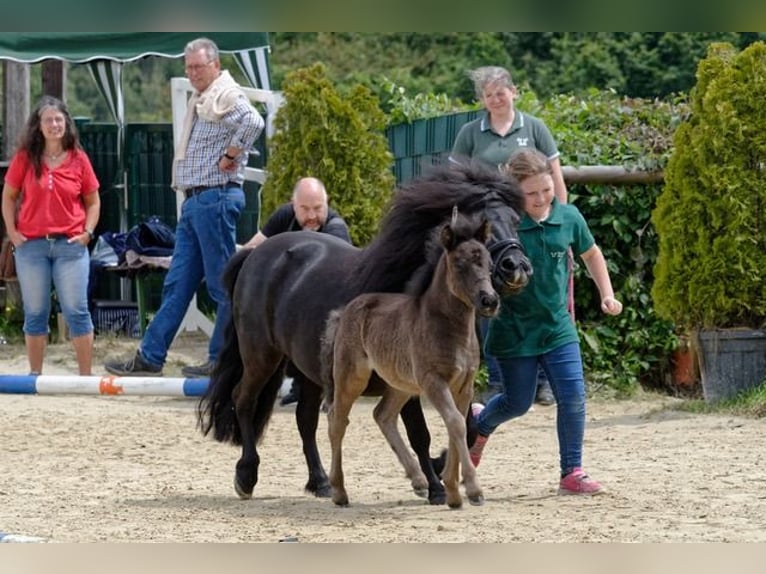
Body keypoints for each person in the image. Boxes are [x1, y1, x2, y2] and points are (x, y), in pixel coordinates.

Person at [105, 37, 263, 378]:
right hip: (197, 201)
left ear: (215, 66)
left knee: (223, 284)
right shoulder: (206, 100)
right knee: (177, 284)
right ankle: (150, 356)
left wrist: (231, 156)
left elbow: (254, 122)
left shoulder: (228, 96)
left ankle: (221, 359)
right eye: (188, 67)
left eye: (198, 66)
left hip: (216, 196)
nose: (192, 73)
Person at [469, 148, 623, 495]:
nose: (541, 199)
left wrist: (607, 294)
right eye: (531, 193)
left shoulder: (569, 217)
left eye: (547, 189)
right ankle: (481, 425)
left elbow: (591, 253)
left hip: (557, 327)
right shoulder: (503, 225)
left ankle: (572, 472)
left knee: (573, 397)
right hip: (513, 330)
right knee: (516, 403)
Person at [450, 64, 568, 407]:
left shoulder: (534, 127)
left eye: (501, 92)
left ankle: (543, 383)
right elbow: (456, 184)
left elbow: (555, 178)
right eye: (488, 95)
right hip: (488, 230)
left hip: (531, 223)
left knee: (539, 297)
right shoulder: (470, 133)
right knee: (490, 296)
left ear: (513, 92)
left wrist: (559, 219)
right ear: (482, 100)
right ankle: (499, 379)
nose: (495, 99)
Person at [1, 96, 101, 376]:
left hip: (71, 246)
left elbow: (93, 201)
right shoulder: (24, 158)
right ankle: (35, 377)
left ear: (66, 124)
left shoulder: (80, 159)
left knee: (77, 311)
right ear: (39, 126)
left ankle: (85, 377)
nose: (55, 124)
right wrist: (12, 232)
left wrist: (88, 232)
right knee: (35, 312)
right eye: (48, 120)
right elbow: (8, 197)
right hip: (31, 246)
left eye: (59, 119)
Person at [243, 176, 352, 405]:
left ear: (327, 204)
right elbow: (254, 246)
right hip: (295, 307)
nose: (312, 216)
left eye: (317, 208)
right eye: (304, 209)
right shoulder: (284, 215)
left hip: (322, 312)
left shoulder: (337, 230)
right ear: (293, 206)